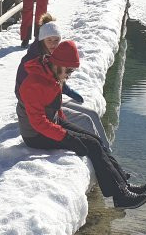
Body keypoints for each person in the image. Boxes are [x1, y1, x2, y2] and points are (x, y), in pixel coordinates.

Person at [17, 41, 146, 209]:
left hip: (51, 121)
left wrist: (65, 125)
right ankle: (120, 196)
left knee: (95, 139)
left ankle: (122, 182)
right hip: (35, 135)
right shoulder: (32, 83)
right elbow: (38, 123)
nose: (70, 75)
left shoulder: (52, 73)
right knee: (92, 145)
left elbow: (53, 105)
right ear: (58, 64)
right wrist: (67, 137)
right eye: (69, 70)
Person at [15, 15, 111, 150]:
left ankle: (105, 151)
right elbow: (26, 92)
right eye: (49, 40)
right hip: (40, 109)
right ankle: (102, 151)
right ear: (42, 40)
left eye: (57, 40)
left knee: (91, 115)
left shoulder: (54, 56)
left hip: (52, 102)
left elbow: (55, 78)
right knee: (86, 119)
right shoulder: (31, 61)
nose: (54, 44)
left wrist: (66, 90)